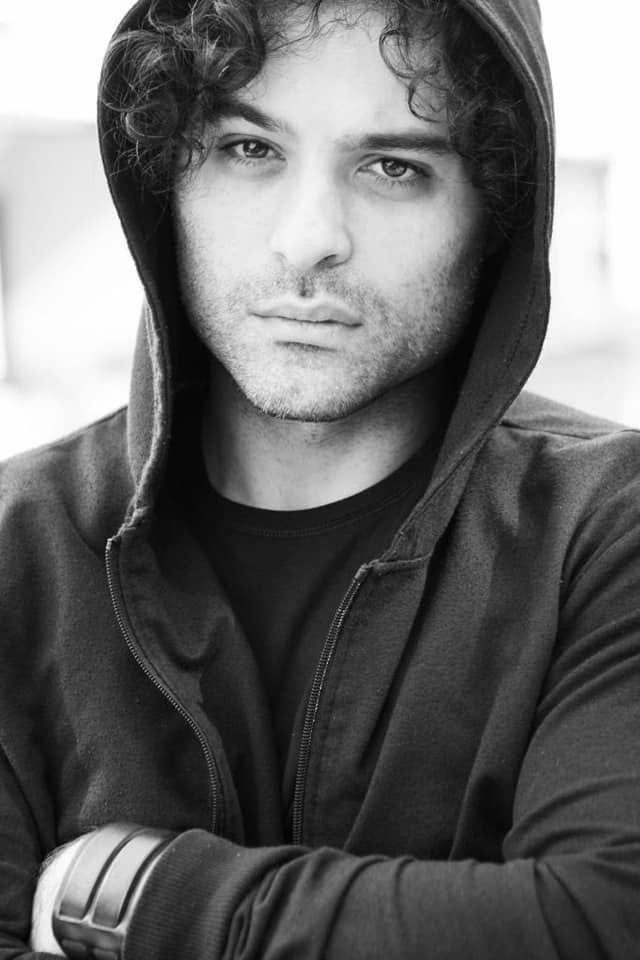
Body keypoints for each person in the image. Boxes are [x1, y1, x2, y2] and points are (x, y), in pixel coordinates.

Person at [1, 0, 639, 956]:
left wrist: (139, 893)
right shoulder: (16, 548)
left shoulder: (609, 531)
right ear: (167, 179)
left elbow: (600, 920)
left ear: (494, 214)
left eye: (393, 168)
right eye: (249, 150)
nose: (307, 239)